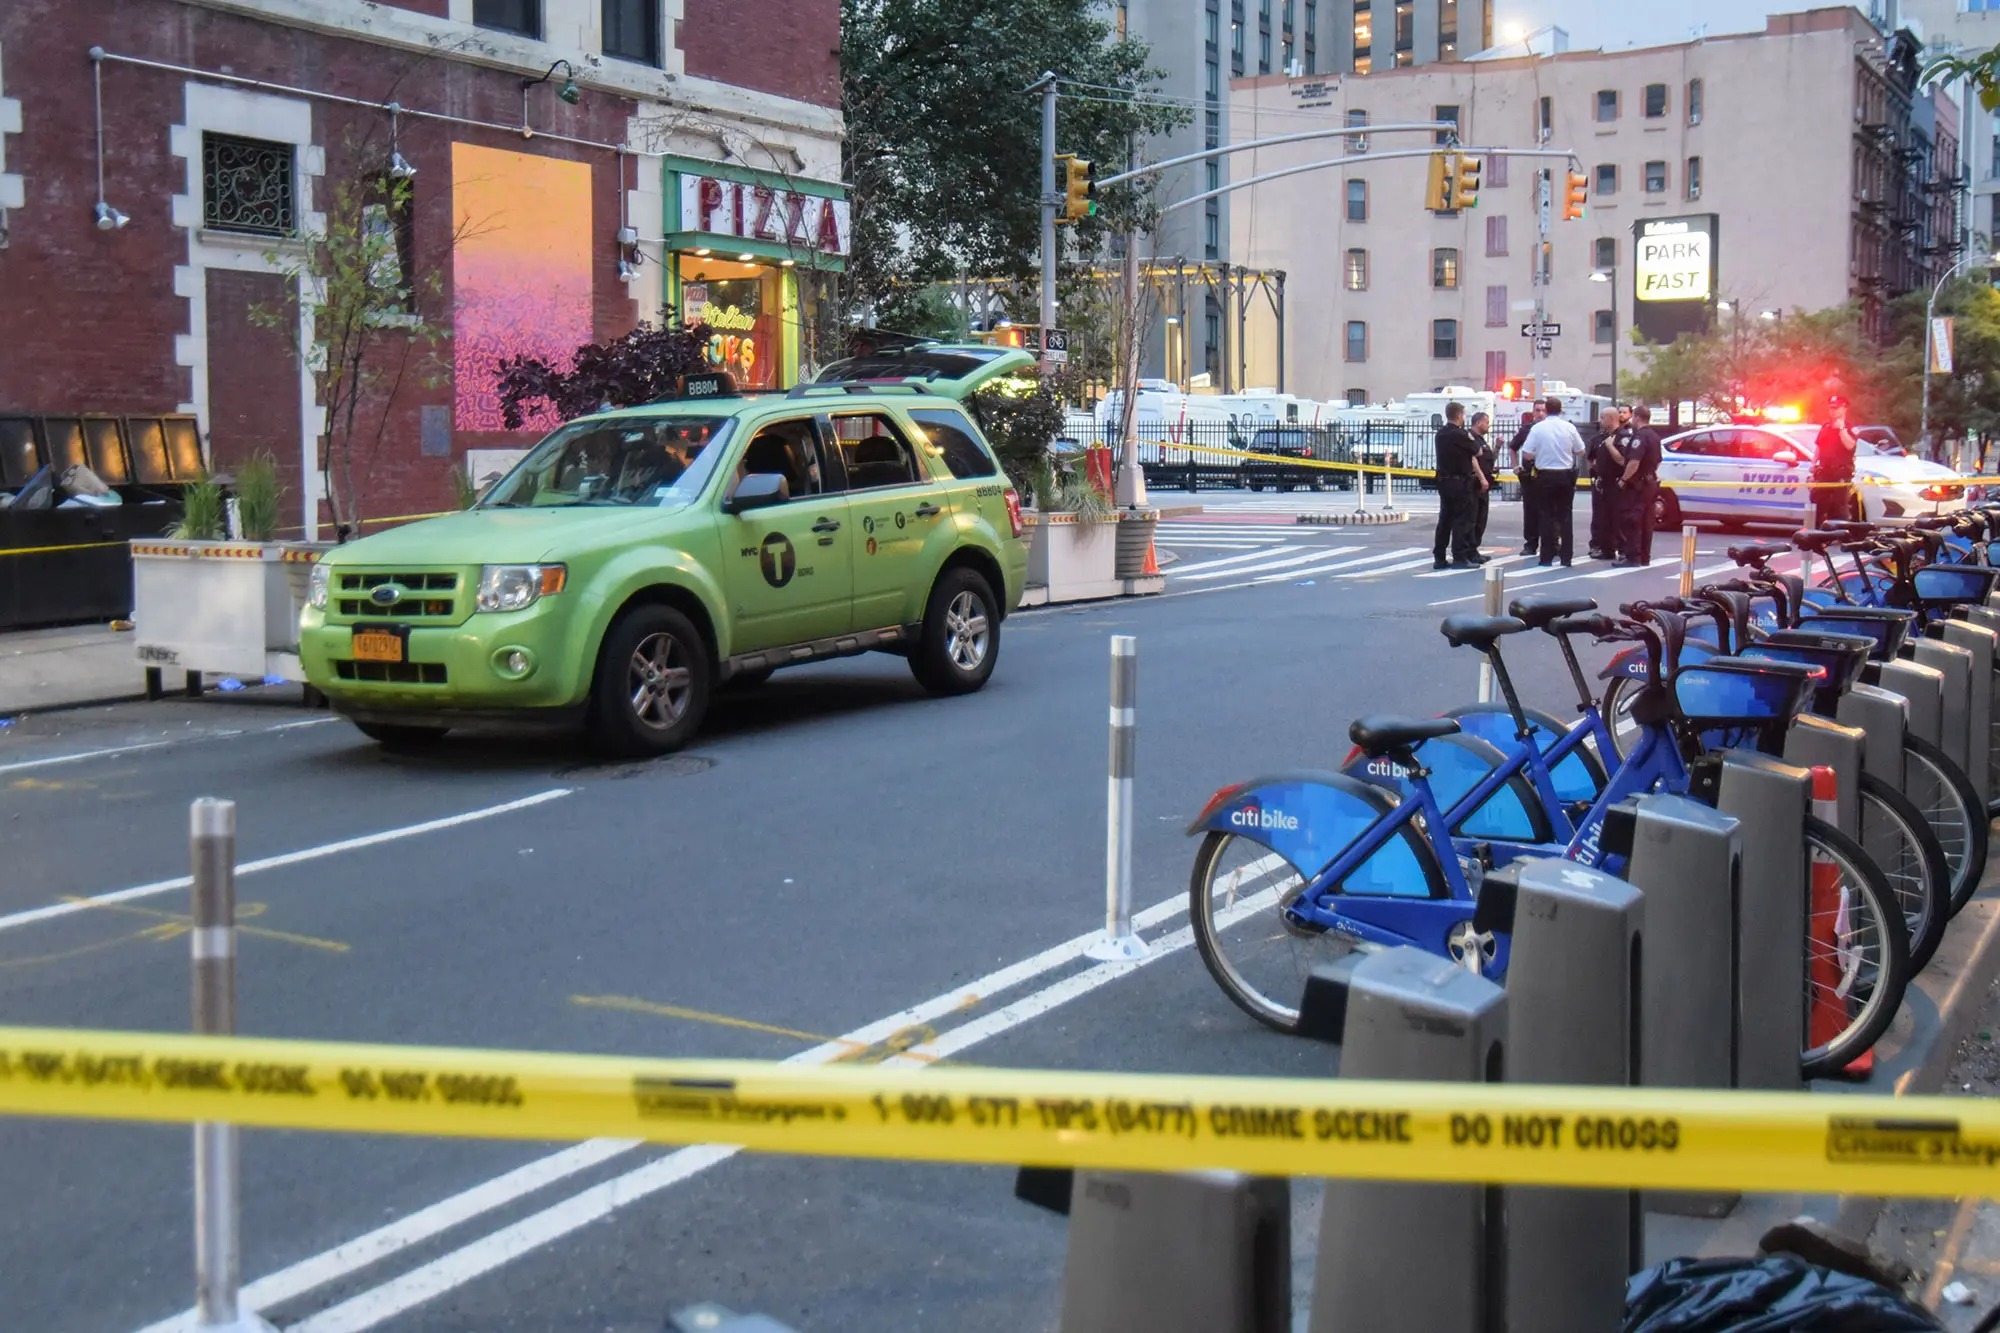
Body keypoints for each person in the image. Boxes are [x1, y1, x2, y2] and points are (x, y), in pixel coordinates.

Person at [1519, 396, 1586, 566]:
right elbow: (1581, 451)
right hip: (1565, 475)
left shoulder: (1538, 429)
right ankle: (1566, 557)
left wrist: (1540, 454)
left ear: (1546, 410)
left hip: (1545, 475)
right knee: (1565, 516)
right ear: (1561, 410)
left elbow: (1526, 453)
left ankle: (1546, 556)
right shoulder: (1569, 427)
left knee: (1546, 515)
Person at [1431, 402, 1486, 569]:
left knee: (1445, 520)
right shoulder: (1461, 435)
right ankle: (1460, 557)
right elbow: (1478, 451)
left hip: (1444, 481)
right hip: (1461, 483)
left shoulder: (1440, 434)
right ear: (1460, 415)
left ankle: (1439, 557)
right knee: (1462, 521)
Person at [1614, 405, 1663, 566]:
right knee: (1647, 521)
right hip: (1650, 482)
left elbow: (1634, 462)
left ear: (1636, 417)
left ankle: (1632, 556)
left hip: (1638, 485)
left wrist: (1623, 480)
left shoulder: (1639, 437)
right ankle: (1644, 556)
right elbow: (1658, 461)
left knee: (1633, 519)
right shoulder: (1655, 436)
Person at [1586, 405, 1626, 561]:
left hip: (1616, 483)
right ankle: (1606, 549)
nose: (1600, 421)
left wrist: (1610, 446)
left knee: (1617, 518)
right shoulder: (1602, 437)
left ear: (1610, 419)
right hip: (1603, 483)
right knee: (1604, 518)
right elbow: (1592, 458)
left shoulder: (1621, 437)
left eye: (1602, 418)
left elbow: (1622, 460)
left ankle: (1623, 549)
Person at [1813, 400, 1859, 527]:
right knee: (1819, 504)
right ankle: (1818, 534)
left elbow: (1850, 446)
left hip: (1841, 472)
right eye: (1830, 408)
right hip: (1824, 472)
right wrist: (1813, 464)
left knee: (1840, 506)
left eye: (1836, 408)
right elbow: (1819, 447)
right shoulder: (1826, 426)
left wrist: (1841, 429)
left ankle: (1841, 533)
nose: (1832, 411)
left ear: (1844, 409)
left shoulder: (1849, 427)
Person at [1509, 402, 1546, 555]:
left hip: (1547, 474)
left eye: (1544, 410)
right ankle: (1530, 544)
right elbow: (1513, 447)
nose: (1541, 413)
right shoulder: (1526, 429)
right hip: (1530, 475)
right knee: (1531, 511)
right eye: (1537, 410)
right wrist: (1515, 466)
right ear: (1533, 412)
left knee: (1550, 511)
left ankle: (1552, 543)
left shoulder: (1552, 429)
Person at [1469, 411, 1498, 550]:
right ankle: (1470, 549)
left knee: (1481, 519)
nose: (1488, 426)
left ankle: (1475, 549)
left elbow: (1490, 460)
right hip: (1475, 484)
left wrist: (1498, 446)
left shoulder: (1482, 440)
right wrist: (1481, 478)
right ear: (1478, 422)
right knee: (1473, 518)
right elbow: (1472, 459)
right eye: (1486, 422)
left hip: (1485, 485)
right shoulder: (1471, 438)